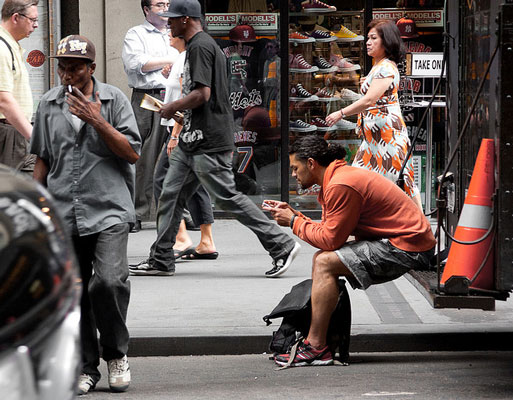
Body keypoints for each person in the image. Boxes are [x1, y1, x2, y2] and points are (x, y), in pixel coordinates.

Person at [129, 0, 300, 277]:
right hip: (193, 139)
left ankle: (281, 245)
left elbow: (202, 94)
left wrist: (172, 107)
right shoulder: (203, 45)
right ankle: (161, 258)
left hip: (208, 141)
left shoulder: (200, 46)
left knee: (228, 197)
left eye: (172, 19)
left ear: (186, 19)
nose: (168, 24)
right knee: (170, 196)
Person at [30, 35, 141, 394]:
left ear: (91, 69)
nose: (67, 75)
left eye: (75, 68)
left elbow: (132, 153)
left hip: (108, 208)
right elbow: (43, 158)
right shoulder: (47, 104)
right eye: (62, 68)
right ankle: (85, 366)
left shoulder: (114, 101)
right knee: (73, 292)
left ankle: (116, 354)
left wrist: (97, 121)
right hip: (63, 209)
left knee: (108, 282)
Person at [264, 135, 435, 366]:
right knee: (323, 260)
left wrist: (294, 222)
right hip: (399, 242)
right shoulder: (336, 179)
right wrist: (296, 216)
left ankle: (316, 347)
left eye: (296, 168)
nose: (293, 174)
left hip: (407, 247)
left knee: (325, 262)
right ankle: (321, 340)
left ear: (312, 163)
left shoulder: (340, 184)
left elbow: (330, 240)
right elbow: (328, 232)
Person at [326, 19, 423, 211]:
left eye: (373, 38)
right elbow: (374, 98)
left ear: (386, 41)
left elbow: (369, 101)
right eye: (367, 38)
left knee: (403, 184)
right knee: (357, 182)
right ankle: (359, 228)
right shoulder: (379, 67)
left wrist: (340, 113)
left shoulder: (386, 67)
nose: (368, 42)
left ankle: (423, 231)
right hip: (372, 141)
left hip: (387, 138)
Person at [152, 30, 217, 260]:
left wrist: (175, 135)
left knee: (163, 181)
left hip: (180, 129)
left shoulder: (186, 58)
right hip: (183, 129)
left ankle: (181, 237)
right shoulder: (181, 59)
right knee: (195, 183)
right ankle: (205, 240)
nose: (169, 33)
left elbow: (186, 97)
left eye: (172, 29)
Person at [122, 0, 179, 232]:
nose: (165, 8)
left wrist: (170, 64)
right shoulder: (136, 34)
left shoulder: (176, 32)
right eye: (159, 4)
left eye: (167, 3)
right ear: (146, 9)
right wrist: (170, 61)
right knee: (145, 155)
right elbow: (137, 64)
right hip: (149, 98)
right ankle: (137, 212)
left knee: (180, 155)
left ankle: (183, 214)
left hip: (177, 97)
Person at [0, 0, 38, 173]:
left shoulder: (11, 45)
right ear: (16, 18)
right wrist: (34, 137)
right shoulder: (1, 48)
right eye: (32, 20)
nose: (36, 25)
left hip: (16, 131)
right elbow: (3, 100)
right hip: (8, 133)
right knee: (11, 192)